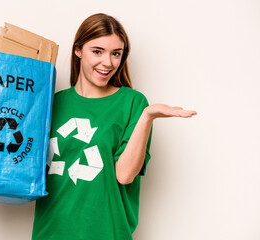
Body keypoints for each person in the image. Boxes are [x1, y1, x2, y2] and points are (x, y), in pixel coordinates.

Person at [31, 13, 197, 240]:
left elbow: (125, 175)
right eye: (97, 51)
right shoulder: (50, 102)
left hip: (107, 233)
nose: (107, 63)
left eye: (116, 54)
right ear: (78, 50)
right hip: (50, 233)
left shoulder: (132, 103)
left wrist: (147, 117)